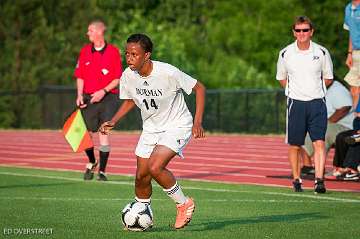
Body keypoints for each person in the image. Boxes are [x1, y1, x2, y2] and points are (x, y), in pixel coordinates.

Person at [99, 33, 206, 229]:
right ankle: (140, 211)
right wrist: (114, 120)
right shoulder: (128, 75)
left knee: (155, 167)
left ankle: (184, 204)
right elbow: (131, 99)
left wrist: (197, 122)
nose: (129, 58)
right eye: (127, 54)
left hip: (177, 125)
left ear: (146, 55)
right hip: (151, 128)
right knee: (141, 176)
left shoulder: (168, 72)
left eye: (134, 54)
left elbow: (199, 88)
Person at [276, 16, 334, 193]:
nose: (302, 33)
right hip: (296, 104)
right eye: (298, 30)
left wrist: (316, 90)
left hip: (317, 103)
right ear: (294, 32)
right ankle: (296, 179)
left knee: (319, 142)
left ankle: (319, 180)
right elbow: (281, 78)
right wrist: (294, 92)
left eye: (305, 30)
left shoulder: (321, 52)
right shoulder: (286, 53)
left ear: (311, 32)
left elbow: (329, 77)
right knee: (295, 145)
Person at [74, 19, 123, 181]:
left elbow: (117, 78)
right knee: (85, 134)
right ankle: (92, 161)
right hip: (89, 97)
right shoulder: (85, 51)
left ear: (99, 32)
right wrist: (80, 94)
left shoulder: (113, 52)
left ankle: (102, 171)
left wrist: (103, 91)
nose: (88, 33)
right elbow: (80, 75)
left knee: (104, 131)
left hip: (108, 97)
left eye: (90, 30)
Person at [300, 79, 354, 176]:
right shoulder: (322, 90)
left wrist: (327, 122)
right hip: (332, 125)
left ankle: (319, 168)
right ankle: (307, 167)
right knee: (302, 129)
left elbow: (345, 107)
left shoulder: (337, 89)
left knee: (323, 131)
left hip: (346, 127)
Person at [344, 0, 360, 109]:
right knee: (354, 89)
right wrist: (349, 53)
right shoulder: (348, 8)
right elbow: (351, 32)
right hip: (355, 53)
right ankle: (357, 121)